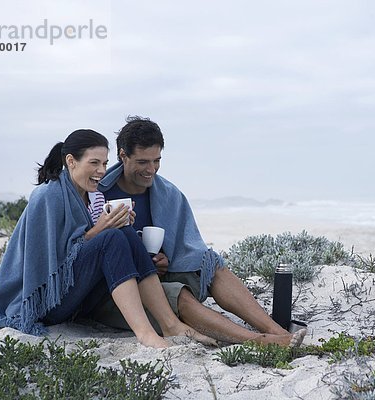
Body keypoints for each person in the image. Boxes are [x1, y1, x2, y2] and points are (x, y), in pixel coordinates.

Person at [0, 129, 216, 348]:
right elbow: (50, 266)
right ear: (71, 161)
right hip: (47, 303)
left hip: (78, 299)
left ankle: (171, 325)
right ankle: (145, 333)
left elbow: (91, 249)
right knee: (111, 238)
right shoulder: (48, 196)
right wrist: (101, 230)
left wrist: (117, 223)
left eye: (105, 163)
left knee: (123, 231)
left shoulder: (93, 197)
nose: (101, 170)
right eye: (94, 163)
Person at [92, 116, 306, 347]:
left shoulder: (168, 195)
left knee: (212, 265)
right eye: (143, 162)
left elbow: (184, 249)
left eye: (157, 160)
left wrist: (164, 260)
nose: (151, 169)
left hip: (157, 276)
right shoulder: (98, 193)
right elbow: (91, 251)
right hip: (118, 289)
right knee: (178, 293)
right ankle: (259, 341)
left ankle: (276, 330)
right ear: (123, 155)